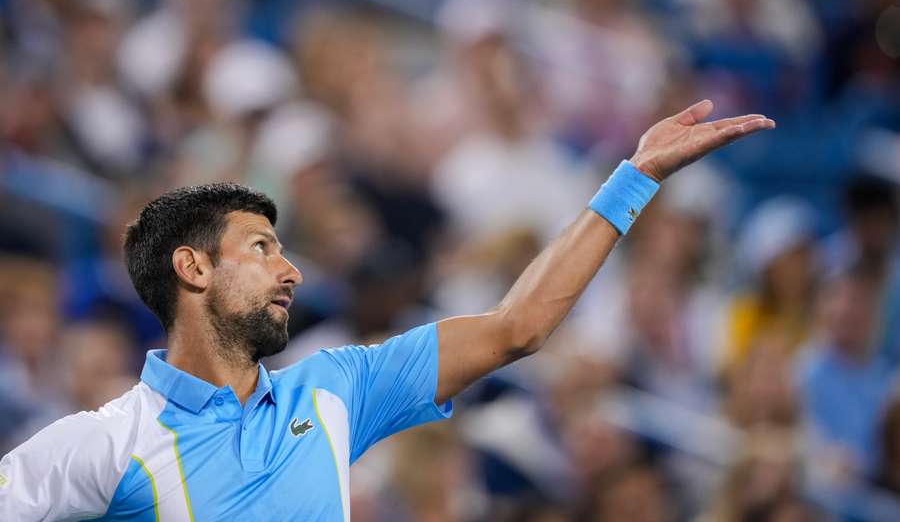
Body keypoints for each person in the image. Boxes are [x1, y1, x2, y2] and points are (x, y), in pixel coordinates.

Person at [0, 100, 774, 519]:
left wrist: (633, 180)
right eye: (263, 248)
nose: (292, 269)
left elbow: (518, 326)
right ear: (192, 267)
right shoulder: (98, 447)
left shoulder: (336, 388)